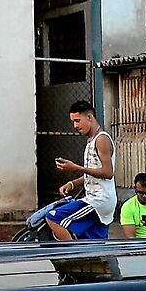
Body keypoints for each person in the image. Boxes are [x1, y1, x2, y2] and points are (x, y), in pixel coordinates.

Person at [49, 99, 117, 240]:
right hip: (99, 200)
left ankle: (71, 256)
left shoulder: (101, 139)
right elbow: (93, 174)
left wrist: (75, 167)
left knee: (53, 218)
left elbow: (108, 173)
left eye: (78, 120)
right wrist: (72, 183)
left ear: (89, 117)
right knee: (94, 244)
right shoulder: (91, 140)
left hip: (99, 200)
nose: (75, 125)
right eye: (73, 121)